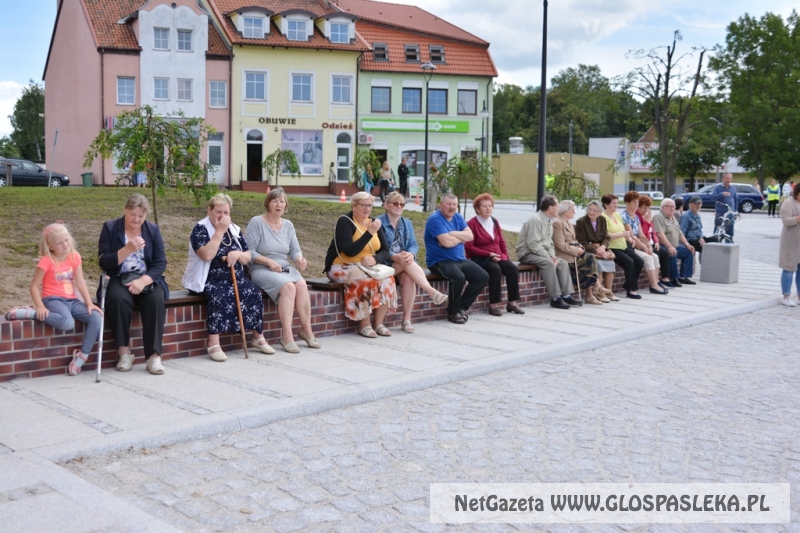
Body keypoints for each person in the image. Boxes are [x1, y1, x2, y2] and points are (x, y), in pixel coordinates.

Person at [184, 194, 274, 362]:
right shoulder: (200, 229)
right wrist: (219, 231)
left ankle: (258, 337)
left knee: (253, 292)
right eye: (219, 212)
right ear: (209, 210)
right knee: (220, 295)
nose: (223, 216)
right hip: (208, 278)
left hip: (235, 277)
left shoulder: (234, 229)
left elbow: (247, 256)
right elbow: (206, 255)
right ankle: (214, 344)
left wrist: (237, 254)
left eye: (226, 212)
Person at [98, 194, 168, 375]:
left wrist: (143, 281)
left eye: (141, 216)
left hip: (146, 278)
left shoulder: (152, 230)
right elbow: (104, 262)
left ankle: (153, 357)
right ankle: (124, 353)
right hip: (119, 277)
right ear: (125, 210)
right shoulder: (110, 228)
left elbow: (160, 262)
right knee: (117, 299)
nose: (136, 219)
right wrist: (127, 249)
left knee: (156, 300)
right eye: (132, 214)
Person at [245, 188, 320, 353]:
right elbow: (248, 251)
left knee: (301, 284)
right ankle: (287, 336)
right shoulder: (257, 222)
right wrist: (268, 262)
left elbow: (294, 250)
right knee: (289, 287)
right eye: (275, 201)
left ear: (286, 205)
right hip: (261, 267)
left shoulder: (288, 225)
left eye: (282, 201)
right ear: (268, 204)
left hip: (283, 267)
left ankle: (306, 330)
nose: (279, 205)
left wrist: (299, 259)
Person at [30, 222, 103, 376]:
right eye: (59, 242)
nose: (65, 244)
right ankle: (30, 313)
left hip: (72, 300)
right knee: (67, 323)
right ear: (51, 247)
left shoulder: (75, 257)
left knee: (96, 317)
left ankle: (82, 356)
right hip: (53, 299)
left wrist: (89, 303)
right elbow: (34, 286)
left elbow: (80, 282)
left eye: (66, 240)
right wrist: (40, 307)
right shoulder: (47, 261)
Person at [324, 191, 397, 337]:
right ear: (354, 206)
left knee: (388, 279)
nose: (367, 209)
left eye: (370, 205)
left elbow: (385, 250)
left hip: (367, 266)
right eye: (363, 205)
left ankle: (378, 323)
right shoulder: (345, 222)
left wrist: (375, 259)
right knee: (365, 279)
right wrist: (369, 233)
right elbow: (349, 251)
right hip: (341, 266)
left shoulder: (374, 222)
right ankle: (364, 325)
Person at [378, 191, 447, 333]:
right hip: (385, 265)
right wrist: (394, 256)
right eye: (395, 203)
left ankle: (406, 320)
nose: (399, 206)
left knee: (408, 278)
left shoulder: (407, 223)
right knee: (407, 263)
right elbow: (378, 248)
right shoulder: (378, 223)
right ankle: (431, 291)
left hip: (403, 263)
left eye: (402, 204)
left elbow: (413, 244)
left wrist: (410, 253)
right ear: (386, 205)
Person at [425, 193, 489, 324]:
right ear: (441, 204)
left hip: (460, 259)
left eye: (454, 204)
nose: (452, 207)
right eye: (448, 204)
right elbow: (446, 243)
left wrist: (453, 234)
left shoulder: (458, 217)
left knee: (482, 276)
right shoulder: (435, 219)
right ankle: (453, 312)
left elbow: (470, 236)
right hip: (439, 261)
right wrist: (460, 238)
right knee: (459, 277)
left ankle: (461, 308)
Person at [516, 195, 581, 309]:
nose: (559, 209)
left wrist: (552, 255)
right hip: (527, 253)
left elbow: (549, 243)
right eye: (557, 206)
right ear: (550, 208)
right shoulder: (535, 220)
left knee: (562, 263)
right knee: (549, 263)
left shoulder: (549, 220)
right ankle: (555, 298)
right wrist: (549, 257)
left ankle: (566, 295)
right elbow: (533, 244)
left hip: (539, 252)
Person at [465, 193, 524, 316]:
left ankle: (512, 303)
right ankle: (493, 305)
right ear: (477, 209)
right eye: (484, 206)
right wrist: (489, 254)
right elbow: (469, 248)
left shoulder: (494, 221)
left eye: (490, 206)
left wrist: (505, 256)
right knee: (495, 269)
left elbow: (501, 241)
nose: (488, 208)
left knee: (512, 268)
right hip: (480, 258)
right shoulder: (472, 224)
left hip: (496, 255)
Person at [552, 200, 606, 305]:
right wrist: (577, 251)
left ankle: (595, 289)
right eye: (573, 210)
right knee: (589, 259)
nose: (575, 212)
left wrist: (579, 247)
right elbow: (560, 245)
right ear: (565, 212)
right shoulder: (557, 223)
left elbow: (574, 240)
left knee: (590, 258)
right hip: (562, 254)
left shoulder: (568, 222)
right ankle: (596, 288)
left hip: (572, 252)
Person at [621, 191, 668, 295]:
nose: (636, 204)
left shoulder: (636, 217)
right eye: (634, 202)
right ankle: (653, 285)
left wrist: (648, 246)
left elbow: (641, 235)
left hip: (638, 244)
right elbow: (632, 236)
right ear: (627, 203)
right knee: (648, 258)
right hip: (630, 245)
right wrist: (644, 247)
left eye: (637, 202)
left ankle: (655, 283)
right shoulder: (624, 216)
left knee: (655, 256)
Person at [601, 194, 644, 299]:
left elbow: (623, 231)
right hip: (611, 247)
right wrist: (621, 235)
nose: (616, 205)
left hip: (623, 245)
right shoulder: (602, 217)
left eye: (617, 203)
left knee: (639, 261)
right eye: (614, 203)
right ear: (606, 204)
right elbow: (604, 235)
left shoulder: (616, 215)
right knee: (629, 262)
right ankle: (631, 290)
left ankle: (629, 284)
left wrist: (629, 239)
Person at [574, 200, 618, 301]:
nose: (591, 212)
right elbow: (582, 241)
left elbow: (606, 237)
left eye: (594, 210)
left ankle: (608, 291)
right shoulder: (581, 221)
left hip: (601, 249)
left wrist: (603, 247)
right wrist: (597, 250)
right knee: (598, 264)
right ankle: (600, 293)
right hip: (589, 250)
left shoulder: (602, 219)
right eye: (590, 209)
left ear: (600, 212)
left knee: (610, 263)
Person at [652, 199, 696, 287]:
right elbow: (659, 234)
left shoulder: (673, 217)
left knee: (689, 251)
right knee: (672, 253)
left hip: (675, 246)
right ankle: (673, 278)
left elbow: (680, 233)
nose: (672, 208)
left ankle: (683, 277)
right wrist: (669, 246)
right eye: (669, 206)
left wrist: (687, 244)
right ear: (663, 207)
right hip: (663, 246)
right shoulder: (658, 216)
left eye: (673, 206)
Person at [636, 194, 672, 286]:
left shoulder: (645, 215)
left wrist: (656, 241)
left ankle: (664, 278)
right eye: (644, 208)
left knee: (665, 253)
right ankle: (656, 281)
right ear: (638, 206)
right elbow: (643, 234)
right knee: (657, 254)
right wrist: (647, 221)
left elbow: (653, 231)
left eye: (648, 208)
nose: (646, 210)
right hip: (643, 243)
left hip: (651, 242)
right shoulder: (638, 217)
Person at [779, 182, 800, 306]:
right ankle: (786, 296)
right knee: (788, 268)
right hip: (790, 241)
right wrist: (798, 218)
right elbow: (786, 221)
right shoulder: (788, 203)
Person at [680, 196, 719, 263]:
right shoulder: (686, 216)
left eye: (699, 204)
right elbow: (682, 232)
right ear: (690, 205)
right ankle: (707, 264)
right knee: (706, 246)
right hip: (690, 240)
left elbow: (699, 230)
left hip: (698, 239)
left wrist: (701, 238)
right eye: (695, 204)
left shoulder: (698, 216)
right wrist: (686, 244)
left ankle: (714, 263)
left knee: (715, 239)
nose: (698, 206)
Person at [712, 173, 738, 241]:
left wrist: (735, 212)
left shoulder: (733, 188)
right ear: (723, 178)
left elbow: (735, 200)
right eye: (727, 178)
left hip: (730, 213)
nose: (728, 180)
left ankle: (728, 245)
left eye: (730, 178)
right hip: (720, 214)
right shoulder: (718, 187)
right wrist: (722, 194)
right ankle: (715, 244)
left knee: (730, 233)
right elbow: (712, 197)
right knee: (717, 231)